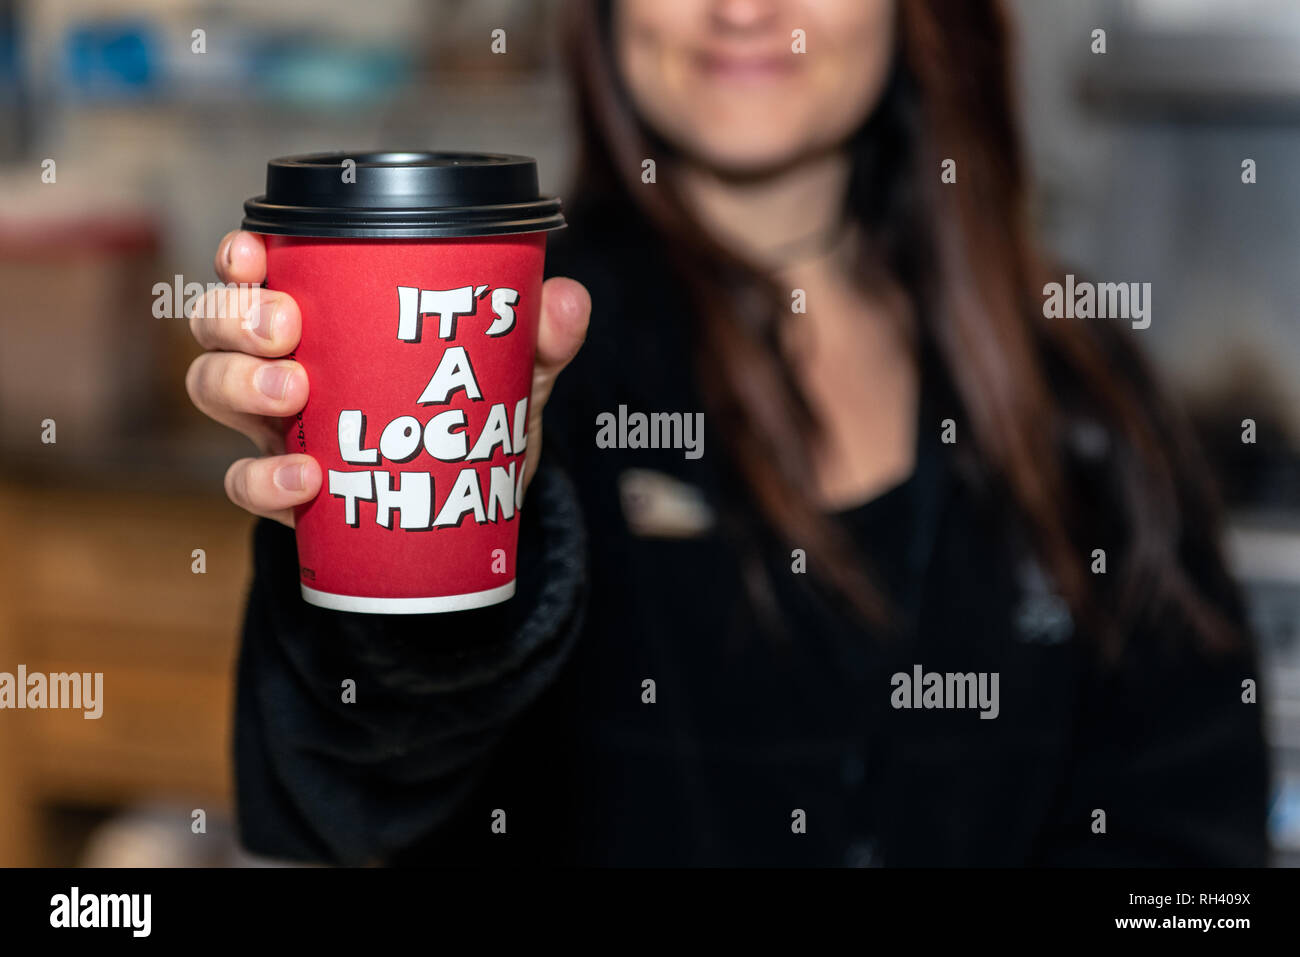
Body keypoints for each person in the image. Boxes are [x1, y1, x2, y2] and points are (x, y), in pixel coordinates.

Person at [185, 0, 1269, 866]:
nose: (740, 10)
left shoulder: (1073, 374)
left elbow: (1188, 831)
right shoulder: (500, 363)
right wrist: (427, 512)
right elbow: (342, 805)